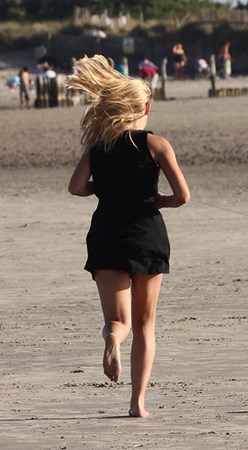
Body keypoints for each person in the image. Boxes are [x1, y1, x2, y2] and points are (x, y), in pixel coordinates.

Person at [66, 55, 190, 418]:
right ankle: (137, 403)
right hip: (146, 234)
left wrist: (100, 187)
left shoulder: (98, 147)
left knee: (118, 322)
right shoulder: (156, 144)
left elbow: (76, 188)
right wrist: (161, 201)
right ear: (146, 106)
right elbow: (183, 196)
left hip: (106, 233)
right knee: (145, 324)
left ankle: (111, 340)